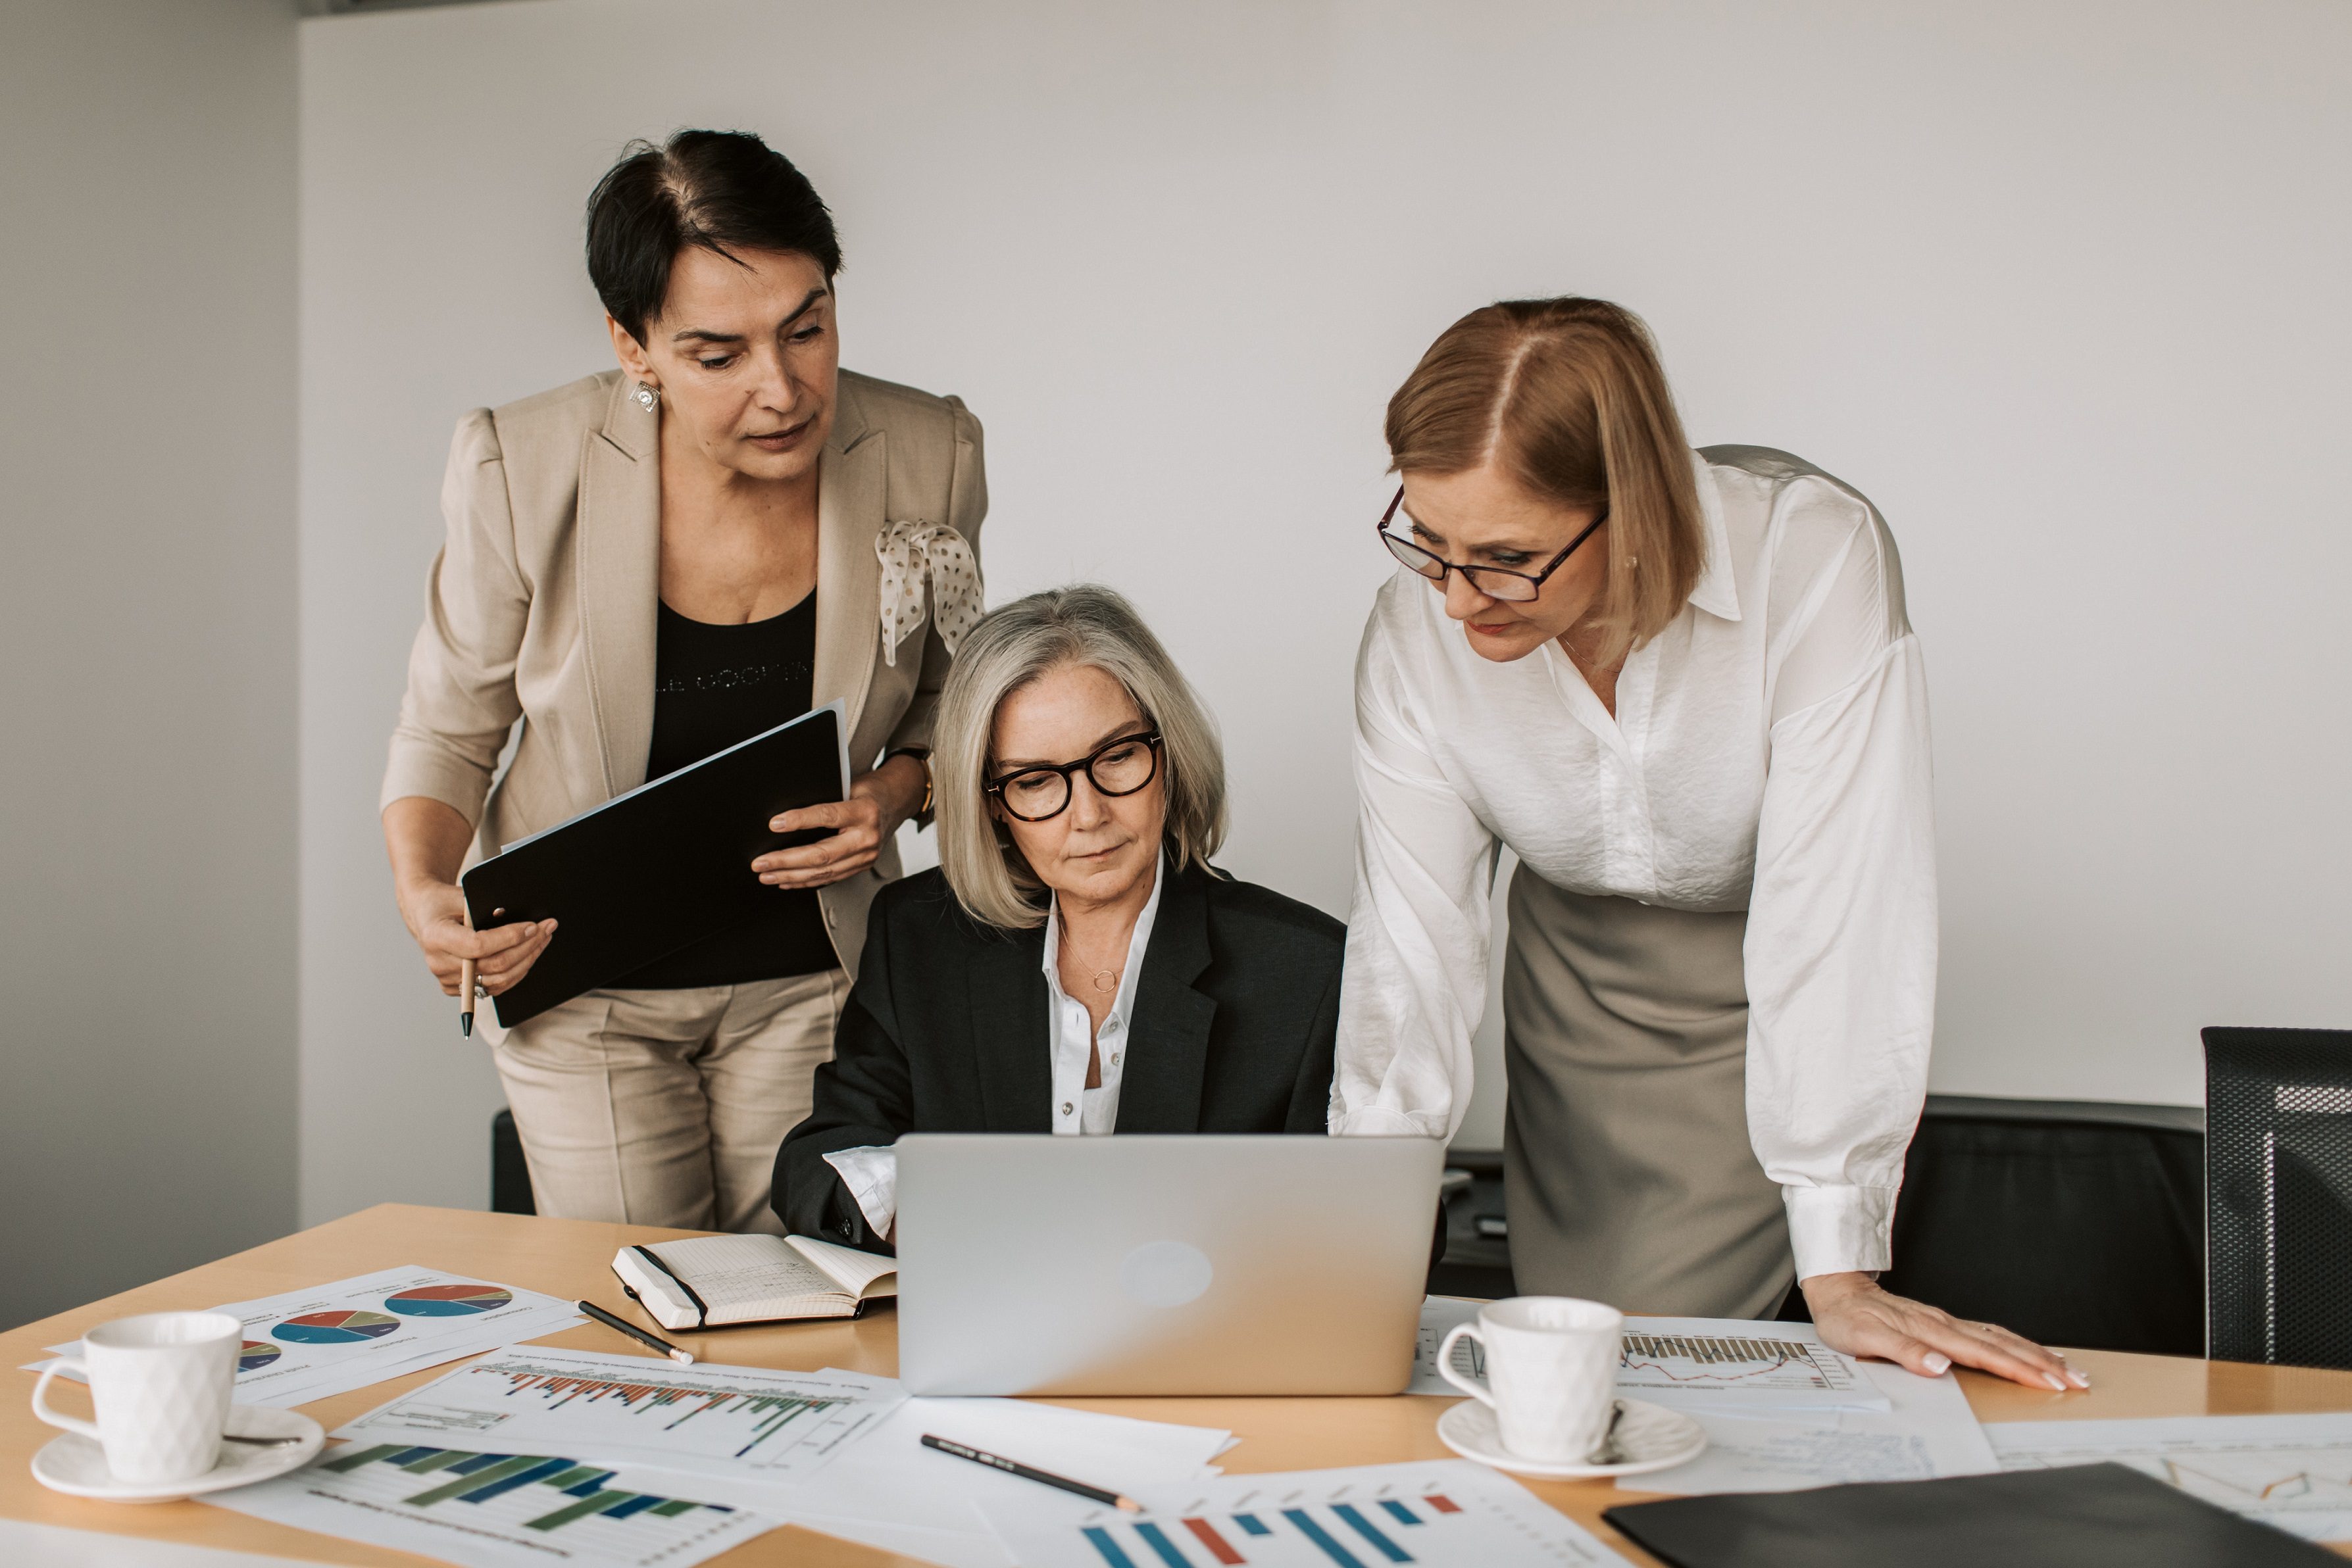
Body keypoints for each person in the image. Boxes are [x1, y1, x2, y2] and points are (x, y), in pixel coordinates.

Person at [1334, 296, 2083, 1392]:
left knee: (1685, 1372)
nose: (1454, 600)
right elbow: (1411, 946)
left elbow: (1838, 904)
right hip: (1580, 986)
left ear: (1628, 508)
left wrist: (1843, 1261)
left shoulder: (1811, 559)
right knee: (1584, 1356)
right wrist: (1362, 1243)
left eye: (1504, 557)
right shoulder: (1413, 636)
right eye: (1426, 542)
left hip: (1774, 965)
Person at [380, 130, 986, 1235]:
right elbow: (448, 727)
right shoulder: (520, 465)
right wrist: (427, 892)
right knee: (647, 1301)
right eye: (719, 353)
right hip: (582, 984)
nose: (784, 388)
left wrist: (891, 798)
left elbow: (956, 706)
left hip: (816, 973)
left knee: (807, 1301)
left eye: (808, 328)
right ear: (634, 344)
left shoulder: (927, 446)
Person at [774, 586, 1343, 1248]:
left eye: (1117, 756)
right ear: (990, 800)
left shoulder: (1308, 970)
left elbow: (1391, 1224)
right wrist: (923, 1208)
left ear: (1168, 754)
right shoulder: (919, 937)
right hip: (981, 1332)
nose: (1088, 813)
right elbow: (817, 1158)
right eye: (1036, 780)